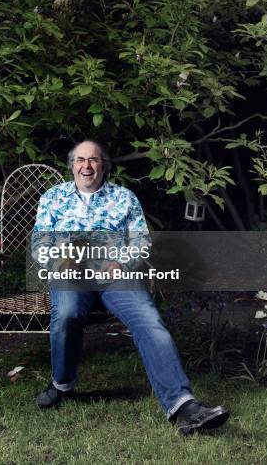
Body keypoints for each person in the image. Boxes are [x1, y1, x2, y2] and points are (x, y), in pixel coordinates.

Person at [32, 139, 229, 435]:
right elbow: (39, 242)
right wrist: (59, 262)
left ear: (104, 165)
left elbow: (140, 241)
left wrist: (122, 262)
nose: (87, 166)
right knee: (68, 314)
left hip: (115, 277)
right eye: (81, 160)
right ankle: (62, 385)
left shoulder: (123, 197)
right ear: (72, 165)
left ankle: (184, 407)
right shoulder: (53, 198)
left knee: (150, 321)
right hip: (71, 275)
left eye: (94, 160)